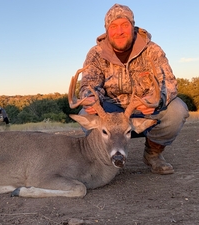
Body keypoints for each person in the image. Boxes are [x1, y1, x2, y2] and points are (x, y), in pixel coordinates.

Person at [79, 3, 189, 175]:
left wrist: (157, 100)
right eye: (113, 26)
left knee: (177, 111)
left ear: (133, 26)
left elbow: (169, 83)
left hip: (143, 110)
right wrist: (89, 97)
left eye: (125, 25)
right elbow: (88, 83)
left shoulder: (152, 50)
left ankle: (153, 155)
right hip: (111, 110)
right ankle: (103, 158)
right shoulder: (96, 53)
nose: (119, 31)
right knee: (86, 114)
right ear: (107, 30)